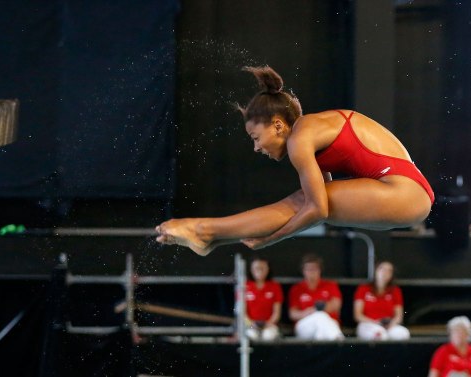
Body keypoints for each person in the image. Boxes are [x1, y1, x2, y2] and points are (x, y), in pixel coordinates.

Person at [155, 65, 434, 255]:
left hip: (406, 192)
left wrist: (273, 238)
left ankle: (204, 230)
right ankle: (211, 238)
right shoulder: (312, 134)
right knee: (305, 201)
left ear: (277, 125)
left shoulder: (300, 139)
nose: (256, 148)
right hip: (407, 192)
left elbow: (317, 210)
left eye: (255, 137)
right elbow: (316, 209)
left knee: (302, 202)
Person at [288, 254, 343, 340]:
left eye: (314, 269)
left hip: (329, 323)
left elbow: (336, 305)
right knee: (319, 316)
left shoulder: (330, 285)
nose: (311, 272)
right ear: (303, 271)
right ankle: (340, 341)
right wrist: (308, 312)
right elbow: (292, 314)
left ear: (320, 270)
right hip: (305, 325)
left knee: (321, 328)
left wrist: (322, 308)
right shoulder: (297, 289)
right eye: (308, 269)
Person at [353, 261, 410, 340]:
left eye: (389, 271)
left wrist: (392, 324)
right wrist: (375, 322)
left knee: (403, 333)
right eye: (382, 269)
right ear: (375, 271)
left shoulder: (395, 290)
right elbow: (358, 315)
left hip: (389, 325)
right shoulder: (363, 288)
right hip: (368, 324)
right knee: (380, 335)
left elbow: (399, 315)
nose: (385, 273)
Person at [245, 257, 283, 341]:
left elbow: (277, 313)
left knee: (268, 336)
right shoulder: (244, 286)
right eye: (256, 268)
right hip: (251, 325)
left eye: (262, 268)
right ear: (251, 269)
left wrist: (268, 324)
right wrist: (252, 324)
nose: (259, 271)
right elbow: (243, 313)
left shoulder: (275, 286)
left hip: (269, 325)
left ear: (268, 269)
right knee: (251, 335)